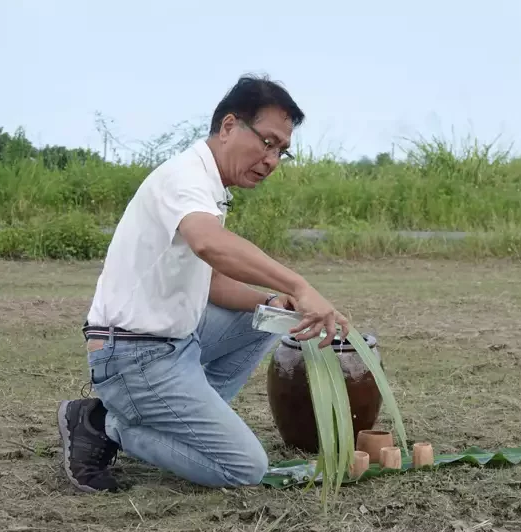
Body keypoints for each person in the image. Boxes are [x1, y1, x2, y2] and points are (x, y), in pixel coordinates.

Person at [56, 75, 350, 493]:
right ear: (229, 126)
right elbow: (211, 244)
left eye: (282, 151)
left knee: (270, 318)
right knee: (244, 468)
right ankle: (105, 423)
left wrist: (276, 299)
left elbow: (210, 284)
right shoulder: (184, 177)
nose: (272, 160)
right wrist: (300, 285)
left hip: (176, 342)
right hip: (134, 355)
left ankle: (175, 422)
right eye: (267, 142)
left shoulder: (210, 187)